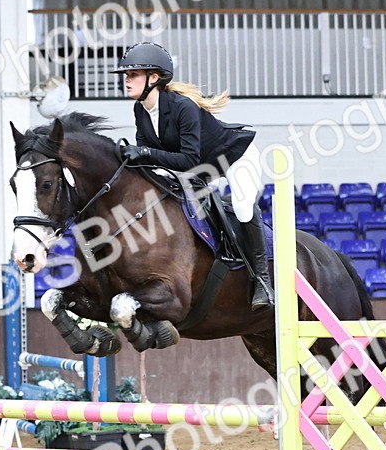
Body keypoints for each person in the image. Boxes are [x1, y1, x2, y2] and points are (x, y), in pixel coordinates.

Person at [109, 41, 272, 310]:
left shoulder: (183, 107)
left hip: (233, 157)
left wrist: (145, 153)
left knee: (243, 207)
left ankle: (262, 282)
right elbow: (150, 160)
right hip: (199, 169)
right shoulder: (141, 109)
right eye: (126, 75)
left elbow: (187, 159)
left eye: (133, 74)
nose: (126, 80)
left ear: (154, 78)